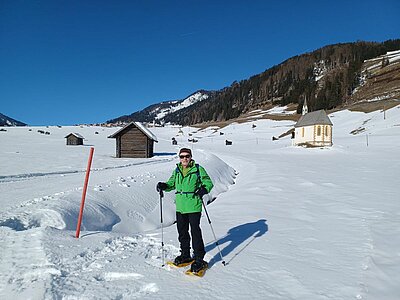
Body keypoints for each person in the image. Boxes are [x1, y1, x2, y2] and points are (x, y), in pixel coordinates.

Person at [156, 147, 213, 273]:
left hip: (193, 205)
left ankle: (199, 258)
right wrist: (163, 186)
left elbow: (208, 182)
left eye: (187, 156)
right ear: (179, 158)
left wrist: (204, 189)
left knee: (195, 232)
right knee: (182, 232)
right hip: (181, 206)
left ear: (191, 157)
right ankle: (185, 254)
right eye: (182, 156)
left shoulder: (198, 169)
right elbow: (171, 184)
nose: (184, 159)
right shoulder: (177, 170)